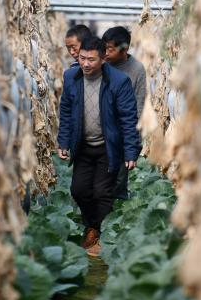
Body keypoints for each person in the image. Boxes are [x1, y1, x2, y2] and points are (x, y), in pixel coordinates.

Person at [58, 36, 141, 257]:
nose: (85, 64)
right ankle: (93, 225)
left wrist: (131, 151)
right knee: (78, 190)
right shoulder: (71, 77)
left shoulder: (119, 82)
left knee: (102, 192)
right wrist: (63, 141)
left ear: (103, 59)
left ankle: (97, 233)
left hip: (109, 146)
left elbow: (128, 118)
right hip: (83, 144)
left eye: (91, 59)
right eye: (82, 58)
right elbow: (66, 110)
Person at [102, 26, 148, 200]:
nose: (105, 53)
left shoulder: (136, 69)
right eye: (104, 48)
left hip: (123, 133)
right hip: (100, 132)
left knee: (118, 181)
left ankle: (117, 211)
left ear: (124, 49)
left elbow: (139, 105)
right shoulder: (101, 65)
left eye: (110, 49)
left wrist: (133, 143)